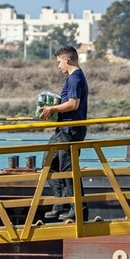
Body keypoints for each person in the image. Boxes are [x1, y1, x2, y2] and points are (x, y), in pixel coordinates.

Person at [37, 45, 89, 220]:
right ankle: (61, 203)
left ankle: (77, 207)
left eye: (59, 62)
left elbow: (73, 104)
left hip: (71, 129)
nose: (58, 66)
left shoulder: (75, 78)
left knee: (68, 168)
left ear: (67, 60)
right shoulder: (73, 78)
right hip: (63, 129)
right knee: (49, 163)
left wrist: (52, 108)